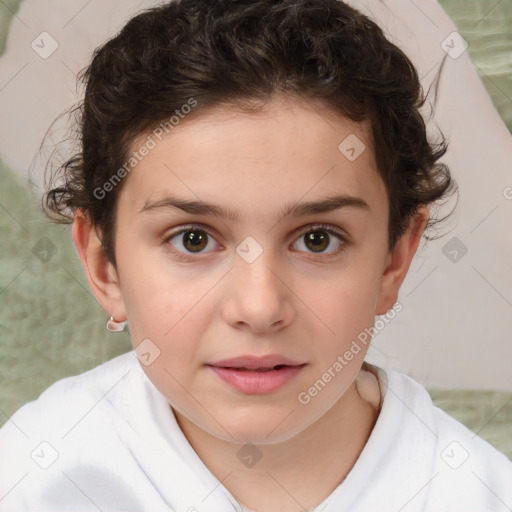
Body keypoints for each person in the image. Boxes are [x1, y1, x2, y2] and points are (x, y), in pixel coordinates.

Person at [1, 0, 511, 511]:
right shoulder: (32, 472)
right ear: (103, 266)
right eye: (193, 239)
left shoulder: (478, 494)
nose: (260, 307)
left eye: (317, 239)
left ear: (393, 259)